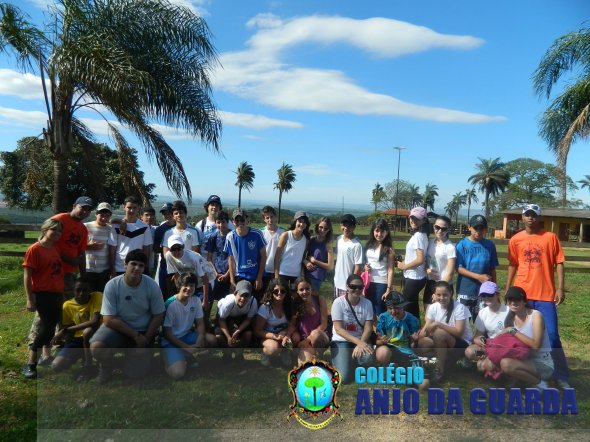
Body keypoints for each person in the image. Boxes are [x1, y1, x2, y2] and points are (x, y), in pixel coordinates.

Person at [506, 203, 570, 388]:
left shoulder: (550, 238)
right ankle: (522, 371)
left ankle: (561, 374)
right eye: (527, 214)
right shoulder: (515, 239)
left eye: (534, 215)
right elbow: (512, 264)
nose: (530, 218)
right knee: (520, 334)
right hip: (522, 295)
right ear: (522, 217)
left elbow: (559, 262)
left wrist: (560, 288)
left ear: (539, 217)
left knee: (552, 335)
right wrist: (509, 288)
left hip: (545, 295)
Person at [89, 249, 165, 383]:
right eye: (133, 264)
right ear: (125, 265)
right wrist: (135, 335)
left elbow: (158, 314)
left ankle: (132, 358)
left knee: (135, 375)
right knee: (96, 347)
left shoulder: (152, 285)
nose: (137, 268)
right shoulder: (112, 285)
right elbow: (108, 319)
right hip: (118, 328)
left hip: (143, 331)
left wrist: (145, 339)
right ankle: (106, 367)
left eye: (141, 265)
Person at [480, 286, 554, 391]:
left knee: (506, 364)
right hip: (522, 359)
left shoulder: (535, 315)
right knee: (484, 365)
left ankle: (540, 384)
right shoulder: (509, 320)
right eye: (510, 300)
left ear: (524, 301)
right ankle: (517, 380)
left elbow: (536, 345)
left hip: (542, 363)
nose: (513, 303)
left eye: (517, 300)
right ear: (507, 302)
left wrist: (513, 331)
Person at [21, 218, 64, 379]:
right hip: (43, 293)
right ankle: (31, 362)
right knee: (47, 328)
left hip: (56, 293)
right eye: (54, 230)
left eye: (59, 231)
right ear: (45, 230)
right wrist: (30, 298)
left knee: (51, 327)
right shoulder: (35, 249)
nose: (57, 233)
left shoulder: (54, 248)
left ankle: (43, 357)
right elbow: (27, 276)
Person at [161, 272, 217, 379]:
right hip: (171, 341)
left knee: (212, 339)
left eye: (191, 285)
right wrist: (187, 348)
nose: (188, 288)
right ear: (179, 286)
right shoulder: (170, 304)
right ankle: (167, 358)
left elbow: (200, 323)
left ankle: (188, 357)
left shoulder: (195, 300)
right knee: (178, 373)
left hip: (186, 335)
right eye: (185, 285)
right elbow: (167, 334)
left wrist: (200, 339)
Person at [416, 281, 472, 383]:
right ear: (434, 295)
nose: (442, 298)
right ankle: (446, 360)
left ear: (451, 293)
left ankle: (439, 370)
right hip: (444, 340)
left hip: (462, 343)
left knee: (439, 334)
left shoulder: (459, 308)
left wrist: (438, 324)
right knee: (422, 343)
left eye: (445, 295)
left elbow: (459, 332)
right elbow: (426, 328)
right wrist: (418, 338)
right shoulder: (433, 307)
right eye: (438, 295)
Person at [374, 292, 428, 389]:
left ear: (403, 306)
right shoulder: (383, 317)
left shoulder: (412, 319)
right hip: (390, 351)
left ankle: (399, 372)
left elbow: (413, 347)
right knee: (382, 352)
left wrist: (415, 341)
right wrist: (382, 341)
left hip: (407, 353)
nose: (394, 312)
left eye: (397, 308)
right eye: (390, 308)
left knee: (424, 385)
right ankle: (389, 371)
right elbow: (377, 342)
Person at [51, 277, 102, 378]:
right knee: (56, 366)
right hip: (78, 339)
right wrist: (66, 345)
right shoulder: (67, 305)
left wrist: (65, 330)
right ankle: (80, 355)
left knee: (87, 331)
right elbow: (68, 326)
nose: (81, 293)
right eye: (78, 290)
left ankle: (89, 365)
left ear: (90, 290)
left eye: (85, 290)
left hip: (95, 335)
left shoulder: (97, 296)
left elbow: (94, 321)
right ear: (73, 290)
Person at [330, 274, 375, 384]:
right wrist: (359, 343)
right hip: (341, 340)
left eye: (360, 287)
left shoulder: (367, 303)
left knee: (368, 359)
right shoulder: (338, 302)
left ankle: (351, 361)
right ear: (347, 287)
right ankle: (338, 361)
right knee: (344, 378)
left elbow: (368, 329)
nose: (357, 289)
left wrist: (361, 343)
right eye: (353, 286)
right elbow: (338, 329)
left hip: (360, 339)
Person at [455, 214, 498, 321]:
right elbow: (458, 268)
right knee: (462, 322)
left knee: (484, 323)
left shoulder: (489, 245)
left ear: (485, 229)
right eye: (475, 228)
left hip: (485, 291)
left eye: (481, 228)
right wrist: (478, 277)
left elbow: (492, 268)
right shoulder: (462, 244)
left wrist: (495, 290)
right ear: (469, 227)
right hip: (465, 290)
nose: (478, 231)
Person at [52, 196, 93, 298]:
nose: (85, 212)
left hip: (70, 272)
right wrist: (67, 259)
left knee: (68, 304)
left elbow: (81, 252)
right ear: (74, 206)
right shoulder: (59, 219)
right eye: (83, 208)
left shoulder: (83, 229)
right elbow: (46, 243)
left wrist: (83, 275)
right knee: (50, 300)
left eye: (88, 210)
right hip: (53, 268)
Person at [224, 209, 267, 301]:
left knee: (256, 303)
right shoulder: (230, 237)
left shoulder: (257, 234)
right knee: (241, 302)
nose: (240, 223)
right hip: (240, 275)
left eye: (242, 220)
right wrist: (232, 281)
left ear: (247, 220)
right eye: (237, 220)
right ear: (233, 222)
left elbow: (264, 256)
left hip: (256, 275)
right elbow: (231, 260)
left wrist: (259, 277)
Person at [396, 206, 429, 320]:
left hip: (414, 277)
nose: (413, 221)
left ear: (424, 220)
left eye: (417, 219)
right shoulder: (421, 234)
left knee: (405, 308)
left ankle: (409, 334)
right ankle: (416, 333)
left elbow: (420, 259)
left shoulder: (419, 236)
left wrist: (404, 266)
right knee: (413, 308)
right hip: (415, 276)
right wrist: (405, 261)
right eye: (411, 218)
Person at [255, 278, 297, 367]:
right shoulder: (265, 308)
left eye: (282, 291)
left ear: (287, 292)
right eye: (275, 291)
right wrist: (275, 336)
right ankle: (266, 353)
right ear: (271, 292)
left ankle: (285, 352)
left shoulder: (290, 304)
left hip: (284, 334)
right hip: (269, 336)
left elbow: (293, 325)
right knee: (273, 348)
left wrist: (287, 335)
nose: (279, 293)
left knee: (295, 338)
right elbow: (257, 331)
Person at [464, 281, 509, 364]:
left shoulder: (508, 311)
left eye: (490, 295)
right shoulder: (482, 312)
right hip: (489, 345)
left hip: (506, 346)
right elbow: (478, 335)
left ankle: (495, 364)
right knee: (470, 351)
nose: (487, 298)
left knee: (481, 366)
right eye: (483, 295)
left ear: (497, 294)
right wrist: (480, 340)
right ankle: (489, 361)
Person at [215, 280, 258, 363]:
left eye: (246, 296)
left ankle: (239, 354)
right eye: (241, 295)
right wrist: (228, 336)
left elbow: (249, 319)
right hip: (224, 316)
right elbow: (221, 320)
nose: (243, 298)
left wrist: (238, 331)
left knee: (248, 334)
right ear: (235, 293)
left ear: (251, 296)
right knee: (219, 336)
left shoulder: (253, 301)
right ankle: (227, 354)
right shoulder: (228, 303)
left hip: (241, 315)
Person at [164, 235, 211, 307]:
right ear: (169, 249)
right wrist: (179, 291)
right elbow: (176, 274)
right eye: (173, 249)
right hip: (189, 284)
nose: (176, 252)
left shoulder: (193, 258)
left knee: (205, 306)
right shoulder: (168, 256)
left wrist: (205, 299)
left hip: (205, 282)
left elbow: (205, 278)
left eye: (178, 248)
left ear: (183, 246)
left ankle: (212, 317)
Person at [290, 276, 329, 363]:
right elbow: (293, 325)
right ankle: (308, 355)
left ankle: (319, 353)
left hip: (320, 337)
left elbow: (324, 324)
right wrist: (289, 335)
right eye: (301, 289)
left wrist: (308, 339)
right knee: (306, 365)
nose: (305, 292)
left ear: (311, 288)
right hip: (304, 340)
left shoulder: (320, 300)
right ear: (297, 291)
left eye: (307, 288)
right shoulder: (295, 304)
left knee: (315, 333)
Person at [112, 196, 153, 276]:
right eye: (129, 207)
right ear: (124, 207)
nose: (132, 210)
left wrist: (144, 266)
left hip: (138, 268)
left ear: (138, 208)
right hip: (119, 267)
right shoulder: (116, 226)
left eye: (134, 208)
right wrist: (112, 268)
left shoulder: (144, 227)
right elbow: (112, 248)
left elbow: (146, 249)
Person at [424, 215, 456, 314]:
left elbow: (450, 273)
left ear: (448, 229)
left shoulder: (450, 247)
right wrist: (427, 269)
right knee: (428, 315)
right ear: (433, 226)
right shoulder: (429, 243)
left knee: (442, 317)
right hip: (430, 283)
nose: (440, 231)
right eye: (437, 227)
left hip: (444, 286)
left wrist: (438, 291)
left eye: (443, 228)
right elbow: (425, 262)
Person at [364, 218, 395, 316]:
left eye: (382, 231)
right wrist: (365, 267)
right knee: (369, 311)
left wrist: (388, 289)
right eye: (377, 231)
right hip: (368, 282)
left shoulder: (389, 249)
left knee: (380, 312)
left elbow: (390, 270)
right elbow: (367, 262)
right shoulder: (369, 245)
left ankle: (381, 331)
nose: (379, 234)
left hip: (381, 284)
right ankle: (373, 331)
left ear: (387, 232)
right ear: (373, 230)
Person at [84, 202, 117, 292]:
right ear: (96, 214)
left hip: (104, 270)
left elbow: (112, 249)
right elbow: (77, 246)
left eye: (107, 216)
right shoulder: (86, 227)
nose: (104, 218)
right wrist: (88, 246)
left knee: (100, 296)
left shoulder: (110, 229)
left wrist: (112, 269)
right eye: (101, 215)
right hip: (88, 269)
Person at [204, 210, 232, 317]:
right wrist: (215, 273)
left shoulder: (233, 236)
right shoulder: (213, 237)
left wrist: (227, 274)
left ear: (227, 222)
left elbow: (235, 259)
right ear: (215, 223)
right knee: (213, 299)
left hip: (230, 272)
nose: (220, 225)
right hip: (217, 272)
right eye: (218, 222)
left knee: (228, 299)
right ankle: (212, 320)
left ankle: (225, 321)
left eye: (223, 222)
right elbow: (209, 258)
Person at [274, 211, 310, 288]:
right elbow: (277, 257)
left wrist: (303, 271)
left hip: (297, 275)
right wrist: (276, 276)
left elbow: (302, 257)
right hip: (283, 273)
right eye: (299, 221)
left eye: (304, 222)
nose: (302, 224)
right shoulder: (286, 235)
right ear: (295, 221)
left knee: (295, 297)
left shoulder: (306, 240)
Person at [333, 214, 363, 298]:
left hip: (347, 285)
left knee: (346, 309)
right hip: (337, 282)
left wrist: (351, 284)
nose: (346, 228)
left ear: (354, 227)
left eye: (349, 226)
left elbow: (358, 267)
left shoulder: (357, 245)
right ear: (341, 225)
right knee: (336, 307)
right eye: (344, 225)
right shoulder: (339, 239)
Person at [302, 217, 334, 296]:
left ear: (329, 230)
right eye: (321, 227)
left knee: (313, 301)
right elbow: (302, 255)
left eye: (326, 228)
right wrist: (306, 261)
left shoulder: (328, 244)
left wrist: (314, 261)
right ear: (317, 226)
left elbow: (330, 266)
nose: (322, 230)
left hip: (317, 277)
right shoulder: (311, 240)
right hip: (305, 274)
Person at [260, 206, 285, 290]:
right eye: (267, 217)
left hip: (278, 270)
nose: (270, 219)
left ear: (276, 217)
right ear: (264, 219)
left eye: (271, 216)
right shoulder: (260, 232)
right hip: (263, 269)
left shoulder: (283, 232)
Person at [153, 203, 175, 289]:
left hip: (179, 266)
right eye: (164, 213)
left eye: (169, 212)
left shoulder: (180, 227)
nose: (167, 215)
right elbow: (156, 248)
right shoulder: (159, 229)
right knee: (163, 291)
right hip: (164, 265)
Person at [141, 206, 157, 274]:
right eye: (147, 215)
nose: (149, 217)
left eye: (152, 215)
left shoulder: (155, 230)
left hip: (149, 265)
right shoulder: (136, 229)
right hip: (137, 263)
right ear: (141, 216)